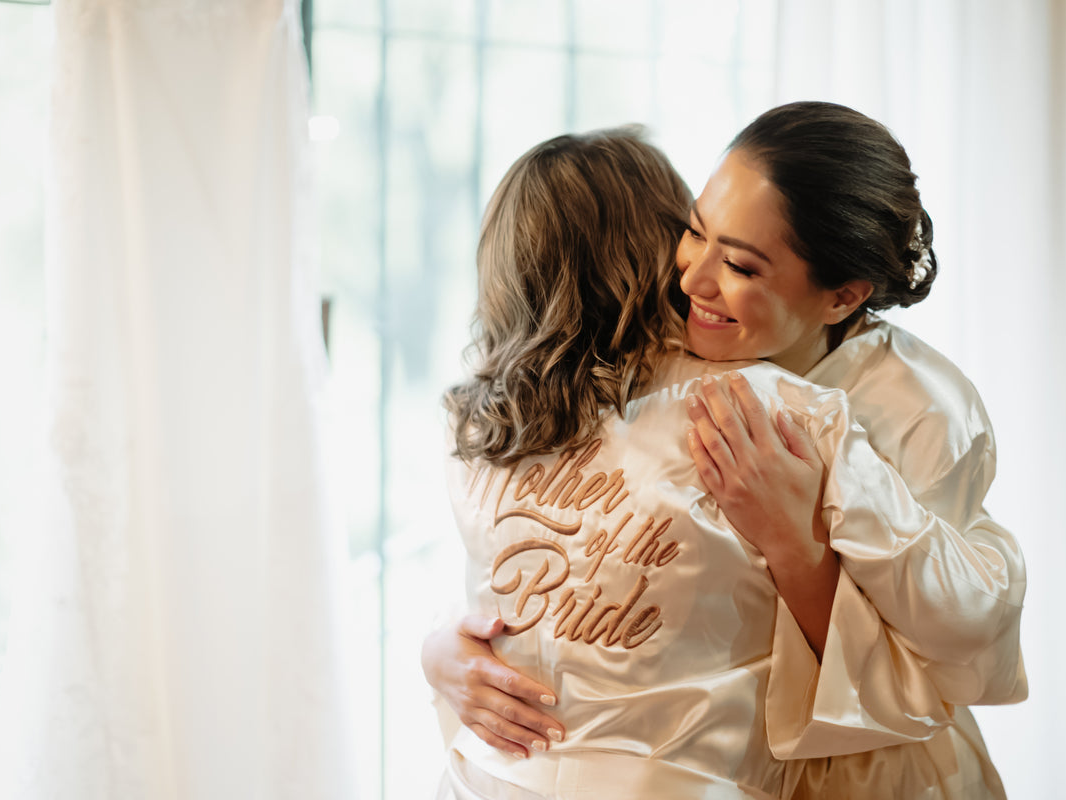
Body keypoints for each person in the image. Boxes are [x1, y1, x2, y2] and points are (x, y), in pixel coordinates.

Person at [428, 105, 1026, 799]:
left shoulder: (918, 410)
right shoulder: (670, 349)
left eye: (740, 263)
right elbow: (584, 554)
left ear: (843, 296)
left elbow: (934, 667)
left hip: (868, 766)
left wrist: (794, 544)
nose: (691, 280)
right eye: (694, 233)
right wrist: (448, 647)